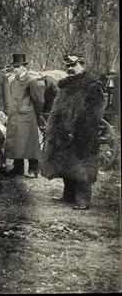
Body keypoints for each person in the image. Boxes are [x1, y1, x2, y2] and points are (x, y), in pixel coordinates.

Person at [41, 53, 105, 210]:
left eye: (73, 65)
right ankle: (68, 196)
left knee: (82, 167)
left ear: (82, 66)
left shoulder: (92, 87)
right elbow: (57, 110)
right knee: (65, 163)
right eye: (68, 66)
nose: (70, 69)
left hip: (83, 135)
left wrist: (78, 132)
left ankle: (83, 200)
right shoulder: (65, 86)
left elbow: (94, 116)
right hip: (62, 133)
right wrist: (54, 130)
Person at [4, 54, 45, 178]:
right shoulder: (13, 81)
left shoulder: (31, 81)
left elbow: (39, 100)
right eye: (14, 67)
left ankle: (33, 170)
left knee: (30, 143)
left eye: (17, 67)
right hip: (15, 117)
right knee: (17, 143)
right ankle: (18, 168)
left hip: (28, 117)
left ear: (24, 67)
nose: (15, 69)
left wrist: (34, 113)